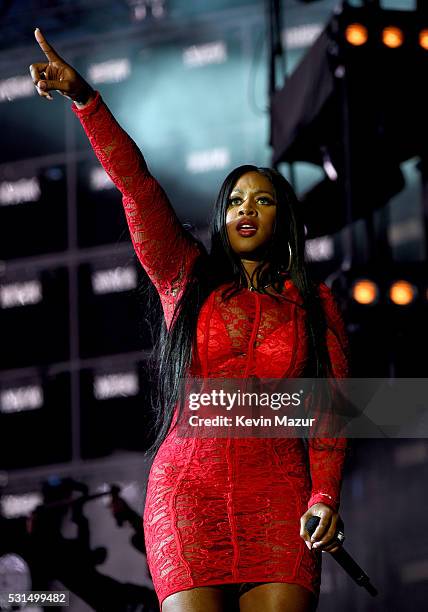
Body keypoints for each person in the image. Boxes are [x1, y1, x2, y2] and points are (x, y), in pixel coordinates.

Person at [30, 28, 350, 612]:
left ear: (284, 221)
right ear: (222, 217)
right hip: (187, 497)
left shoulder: (314, 304)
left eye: (263, 200)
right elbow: (137, 187)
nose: (246, 210)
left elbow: (332, 408)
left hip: (280, 499)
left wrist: (324, 496)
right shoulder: (184, 275)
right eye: (234, 200)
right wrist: (86, 102)